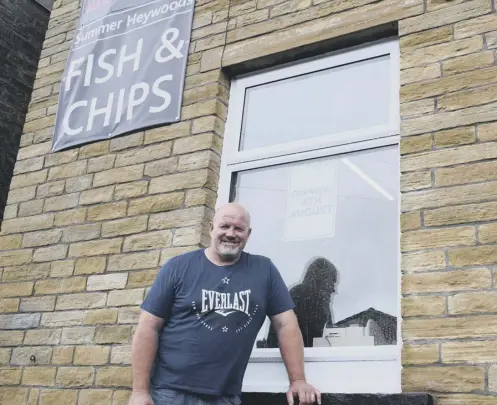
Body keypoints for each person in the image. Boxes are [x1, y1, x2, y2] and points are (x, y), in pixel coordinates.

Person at [128, 202, 322, 405]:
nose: (231, 233)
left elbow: (286, 324)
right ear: (211, 228)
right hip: (169, 393)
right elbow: (148, 327)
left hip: (225, 397)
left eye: (239, 228)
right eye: (224, 226)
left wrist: (298, 379)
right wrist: (140, 391)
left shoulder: (264, 270)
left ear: (248, 233)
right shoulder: (178, 267)